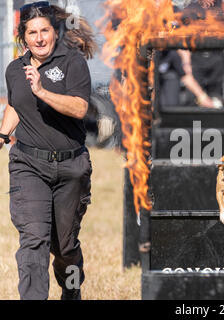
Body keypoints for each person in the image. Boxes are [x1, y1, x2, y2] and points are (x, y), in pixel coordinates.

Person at [0, 1, 96, 300]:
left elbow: (80, 108)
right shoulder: (15, 69)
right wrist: (3, 134)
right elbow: (16, 103)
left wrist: (42, 91)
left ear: (55, 32)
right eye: (32, 32)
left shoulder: (73, 62)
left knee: (64, 247)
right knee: (33, 240)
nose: (39, 38)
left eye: (44, 31)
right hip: (28, 164)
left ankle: (71, 288)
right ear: (23, 37)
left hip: (71, 167)